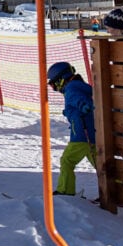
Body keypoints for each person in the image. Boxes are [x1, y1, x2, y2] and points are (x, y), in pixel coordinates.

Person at [46, 61, 97, 196]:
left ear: (62, 79)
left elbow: (81, 101)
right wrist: (69, 111)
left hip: (81, 135)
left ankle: (65, 191)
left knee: (67, 161)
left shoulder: (71, 88)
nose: (55, 88)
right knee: (101, 166)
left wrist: (83, 106)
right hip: (91, 134)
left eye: (54, 84)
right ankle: (119, 192)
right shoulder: (79, 86)